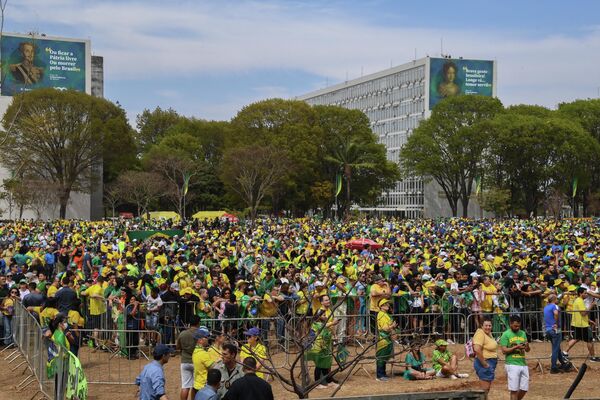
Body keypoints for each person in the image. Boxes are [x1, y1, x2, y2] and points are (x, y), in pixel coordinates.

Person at [564, 287, 600, 362]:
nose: (586, 294)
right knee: (589, 340)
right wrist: (591, 305)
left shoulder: (578, 300)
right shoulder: (580, 301)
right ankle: (593, 357)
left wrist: (589, 320)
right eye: (585, 293)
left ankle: (564, 352)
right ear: (580, 293)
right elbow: (583, 313)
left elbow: (581, 314)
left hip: (578, 323)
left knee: (576, 339)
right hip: (582, 325)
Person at [500, 315, 530, 400]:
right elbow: (504, 350)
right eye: (515, 326)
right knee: (514, 390)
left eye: (519, 326)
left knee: (524, 389)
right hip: (511, 364)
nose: (517, 328)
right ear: (510, 324)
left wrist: (527, 346)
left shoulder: (523, 333)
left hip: (523, 363)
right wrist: (516, 347)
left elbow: (527, 350)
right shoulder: (506, 334)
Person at [543, 294, 571, 373]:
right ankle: (554, 367)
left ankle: (563, 363)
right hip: (555, 329)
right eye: (557, 299)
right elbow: (555, 313)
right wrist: (556, 323)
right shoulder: (554, 306)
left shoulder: (545, 307)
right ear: (554, 299)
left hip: (548, 330)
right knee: (555, 349)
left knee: (557, 347)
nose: (558, 300)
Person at [472, 318, 498, 395]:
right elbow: (477, 349)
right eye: (486, 325)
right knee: (485, 390)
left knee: (486, 389)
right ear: (481, 326)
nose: (488, 327)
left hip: (489, 363)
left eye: (490, 325)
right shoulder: (480, 333)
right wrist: (485, 364)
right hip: (484, 363)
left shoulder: (488, 333)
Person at [177, 315, 200, 400]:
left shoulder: (182, 333)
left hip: (185, 361)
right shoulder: (200, 333)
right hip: (196, 361)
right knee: (195, 385)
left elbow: (178, 347)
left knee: (185, 386)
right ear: (198, 323)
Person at [375, 298, 396, 381]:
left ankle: (383, 373)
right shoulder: (381, 315)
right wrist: (392, 326)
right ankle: (380, 375)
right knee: (381, 357)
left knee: (384, 357)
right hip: (383, 339)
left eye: (388, 304)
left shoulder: (386, 314)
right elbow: (385, 328)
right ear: (381, 306)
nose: (388, 305)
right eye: (386, 304)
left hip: (387, 338)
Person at [192, 327, 214, 398]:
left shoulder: (195, 351)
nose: (208, 339)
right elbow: (213, 368)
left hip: (196, 384)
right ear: (200, 340)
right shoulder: (203, 354)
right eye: (206, 337)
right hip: (203, 386)